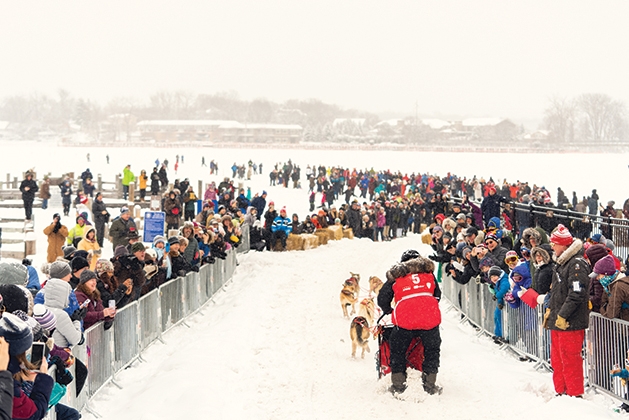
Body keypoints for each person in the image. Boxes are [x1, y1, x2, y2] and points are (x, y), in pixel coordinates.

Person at [378, 250, 442, 395]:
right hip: (429, 319)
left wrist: (390, 310)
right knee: (432, 350)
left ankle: (398, 385)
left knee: (398, 351)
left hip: (405, 319)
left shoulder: (396, 276)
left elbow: (382, 299)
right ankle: (430, 385)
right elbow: (437, 295)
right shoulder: (429, 274)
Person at [541, 224, 590, 398]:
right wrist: (552, 311)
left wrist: (562, 314)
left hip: (571, 321)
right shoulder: (562, 263)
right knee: (557, 358)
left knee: (570, 358)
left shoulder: (576, 264)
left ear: (564, 244)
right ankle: (561, 390)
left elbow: (577, 293)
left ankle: (574, 393)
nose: (552, 247)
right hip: (558, 320)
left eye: (554, 243)